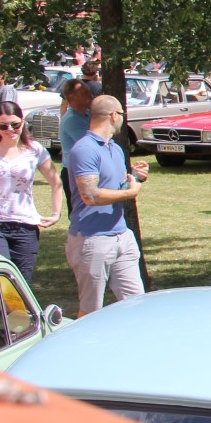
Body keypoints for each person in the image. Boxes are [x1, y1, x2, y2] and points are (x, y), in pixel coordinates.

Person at [65, 96, 147, 315]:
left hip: (122, 237)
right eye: (121, 114)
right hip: (92, 240)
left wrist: (134, 178)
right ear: (113, 116)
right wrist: (129, 193)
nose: (122, 119)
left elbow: (115, 187)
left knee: (137, 304)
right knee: (91, 312)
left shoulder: (115, 149)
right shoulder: (85, 149)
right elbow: (90, 195)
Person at [0, 102, 63, 281]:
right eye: (3, 126)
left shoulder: (35, 150)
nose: (10, 129)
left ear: (22, 122)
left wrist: (56, 214)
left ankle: (16, 310)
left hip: (25, 226)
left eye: (15, 124)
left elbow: (55, 182)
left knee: (20, 283)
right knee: (2, 279)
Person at [57, 79, 93, 216]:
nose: (89, 94)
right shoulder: (72, 119)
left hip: (85, 170)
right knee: (79, 213)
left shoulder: (88, 115)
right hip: (74, 172)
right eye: (84, 92)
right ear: (71, 96)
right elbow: (89, 144)